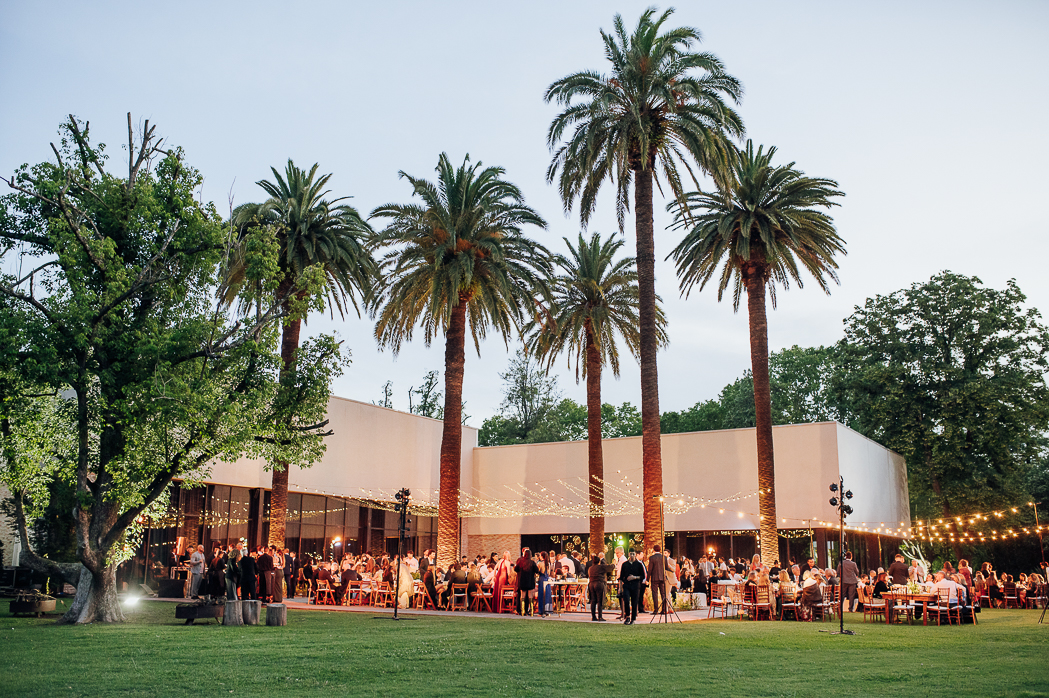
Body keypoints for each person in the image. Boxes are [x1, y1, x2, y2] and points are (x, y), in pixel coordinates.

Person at [620, 551, 645, 625]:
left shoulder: (639, 565)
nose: (632, 555)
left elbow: (642, 576)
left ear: (635, 555)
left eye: (633, 554)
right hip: (627, 585)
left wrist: (634, 577)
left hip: (635, 585)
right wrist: (620, 588)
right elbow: (621, 577)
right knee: (626, 600)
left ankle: (633, 618)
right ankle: (627, 616)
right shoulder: (625, 564)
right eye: (631, 554)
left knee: (634, 602)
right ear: (628, 554)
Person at [587, 555, 614, 621]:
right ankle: (600, 616)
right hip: (599, 583)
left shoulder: (590, 568)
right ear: (599, 562)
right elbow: (610, 568)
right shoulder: (601, 567)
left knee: (593, 600)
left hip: (591, 584)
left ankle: (593, 616)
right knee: (600, 600)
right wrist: (613, 564)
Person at [514, 549, 538, 616]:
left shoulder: (521, 562)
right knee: (530, 596)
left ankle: (522, 611)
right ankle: (531, 611)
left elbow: (516, 569)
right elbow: (537, 570)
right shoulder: (532, 562)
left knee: (522, 596)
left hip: (522, 581)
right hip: (530, 581)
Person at [648, 545, 668, 615]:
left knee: (655, 594)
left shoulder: (652, 558)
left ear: (653, 550)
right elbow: (666, 567)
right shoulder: (664, 557)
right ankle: (664, 609)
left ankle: (656, 610)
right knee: (663, 594)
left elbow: (650, 569)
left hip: (654, 578)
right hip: (662, 578)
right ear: (660, 550)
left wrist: (648, 578)